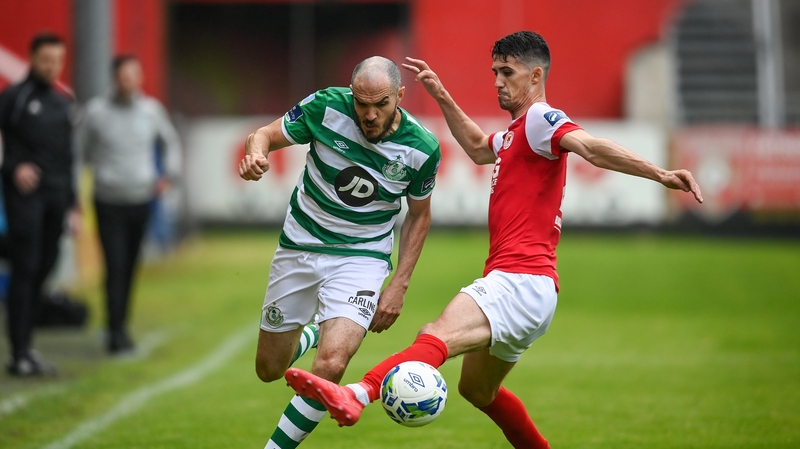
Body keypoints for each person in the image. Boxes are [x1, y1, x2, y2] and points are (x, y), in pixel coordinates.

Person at [284, 31, 704, 448]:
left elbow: (590, 148)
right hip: (534, 289)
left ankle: (357, 394)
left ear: (535, 76)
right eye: (495, 72)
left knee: (435, 334)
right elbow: (476, 147)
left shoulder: (541, 119)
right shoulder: (517, 133)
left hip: (519, 279)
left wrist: (660, 173)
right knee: (477, 390)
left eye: (507, 72)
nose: (498, 82)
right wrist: (441, 94)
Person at [238, 56, 441, 449]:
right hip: (301, 244)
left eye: (380, 104)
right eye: (361, 103)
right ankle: (316, 329)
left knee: (331, 363)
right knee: (269, 369)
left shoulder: (422, 148)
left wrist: (399, 283)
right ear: (351, 95)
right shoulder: (326, 107)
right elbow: (263, 135)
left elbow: (419, 215)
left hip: (362, 257)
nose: (369, 114)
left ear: (400, 96)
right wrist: (256, 153)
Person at [74, 54, 182, 354]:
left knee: (130, 265)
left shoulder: (151, 111)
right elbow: (79, 152)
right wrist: (76, 193)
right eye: (123, 76)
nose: (128, 81)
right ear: (114, 78)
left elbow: (170, 142)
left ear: (140, 78)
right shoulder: (95, 113)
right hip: (108, 200)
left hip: (141, 198)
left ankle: (121, 324)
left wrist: (168, 175)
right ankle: (115, 329)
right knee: (114, 264)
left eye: (133, 75)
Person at [0, 33, 77, 376]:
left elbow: (68, 156)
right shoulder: (14, 98)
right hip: (26, 198)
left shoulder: (64, 103)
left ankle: (27, 347)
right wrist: (14, 167)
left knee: (44, 268)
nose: (51, 67)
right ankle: (18, 352)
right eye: (46, 60)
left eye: (57, 60)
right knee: (26, 267)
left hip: (57, 198)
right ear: (32, 58)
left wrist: (73, 204)